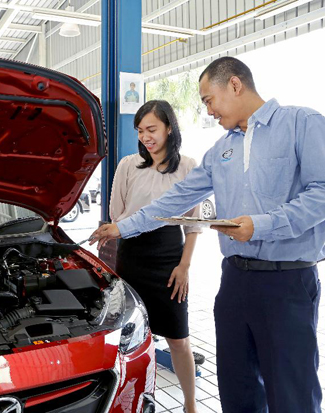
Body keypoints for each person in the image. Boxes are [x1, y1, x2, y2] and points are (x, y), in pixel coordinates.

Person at [90, 56, 325, 413]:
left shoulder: (303, 123)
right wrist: (122, 226)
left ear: (234, 84)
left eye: (209, 99)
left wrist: (262, 224)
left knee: (291, 391)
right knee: (237, 388)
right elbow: (176, 198)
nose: (208, 111)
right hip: (235, 281)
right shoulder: (222, 148)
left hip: (287, 281)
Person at [109, 100, 201, 413]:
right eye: (140, 131)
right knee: (132, 338)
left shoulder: (188, 166)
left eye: (152, 129)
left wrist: (184, 266)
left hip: (169, 257)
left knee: (178, 339)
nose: (145, 136)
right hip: (132, 256)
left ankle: (190, 405)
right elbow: (117, 215)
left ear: (169, 129)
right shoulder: (127, 165)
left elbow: (193, 224)